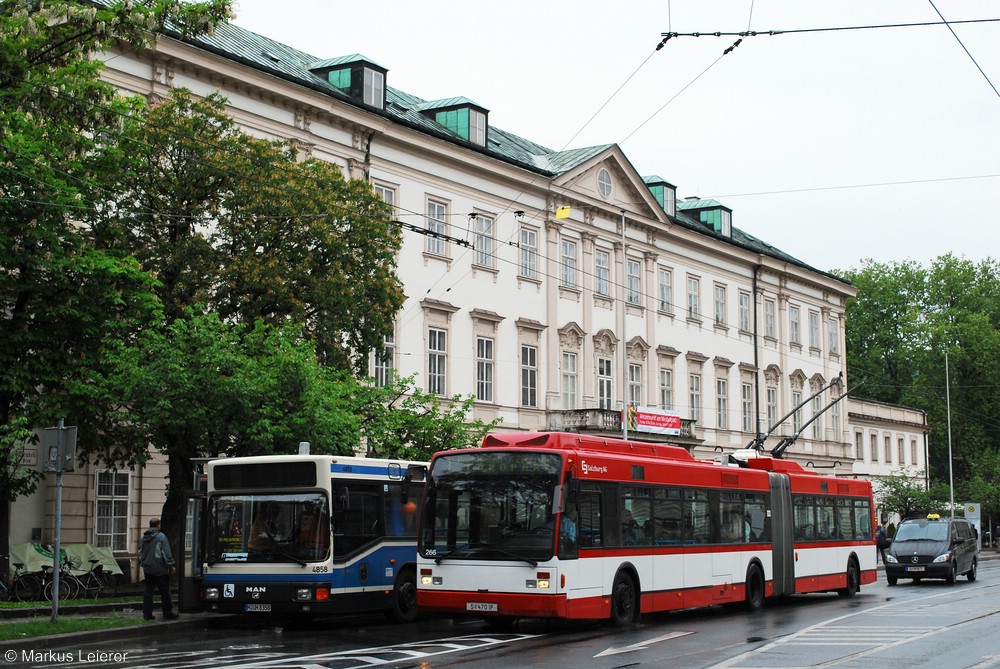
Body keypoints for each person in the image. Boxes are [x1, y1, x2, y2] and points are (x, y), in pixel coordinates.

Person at [139, 518, 177, 621]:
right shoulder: (161, 537)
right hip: (160, 569)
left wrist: (143, 564)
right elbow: (166, 553)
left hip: (148, 569)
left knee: (148, 592)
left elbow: (140, 552)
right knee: (165, 592)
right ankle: (167, 612)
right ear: (158, 526)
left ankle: (147, 614)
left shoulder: (144, 538)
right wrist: (171, 565)